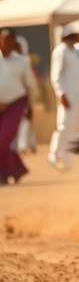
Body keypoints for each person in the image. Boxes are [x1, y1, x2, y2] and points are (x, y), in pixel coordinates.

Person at [48, 25, 79, 170]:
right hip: (67, 96)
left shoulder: (75, 51)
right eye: (71, 36)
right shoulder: (60, 51)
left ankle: (67, 160)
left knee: (76, 128)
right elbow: (55, 76)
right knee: (63, 126)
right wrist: (60, 94)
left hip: (78, 95)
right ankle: (53, 155)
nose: (73, 38)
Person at [0, 28, 37, 184]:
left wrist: (30, 107)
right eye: (4, 39)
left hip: (15, 103)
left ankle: (3, 174)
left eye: (10, 40)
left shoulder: (22, 61)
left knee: (3, 140)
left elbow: (30, 86)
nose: (6, 43)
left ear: (14, 41)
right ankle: (17, 170)